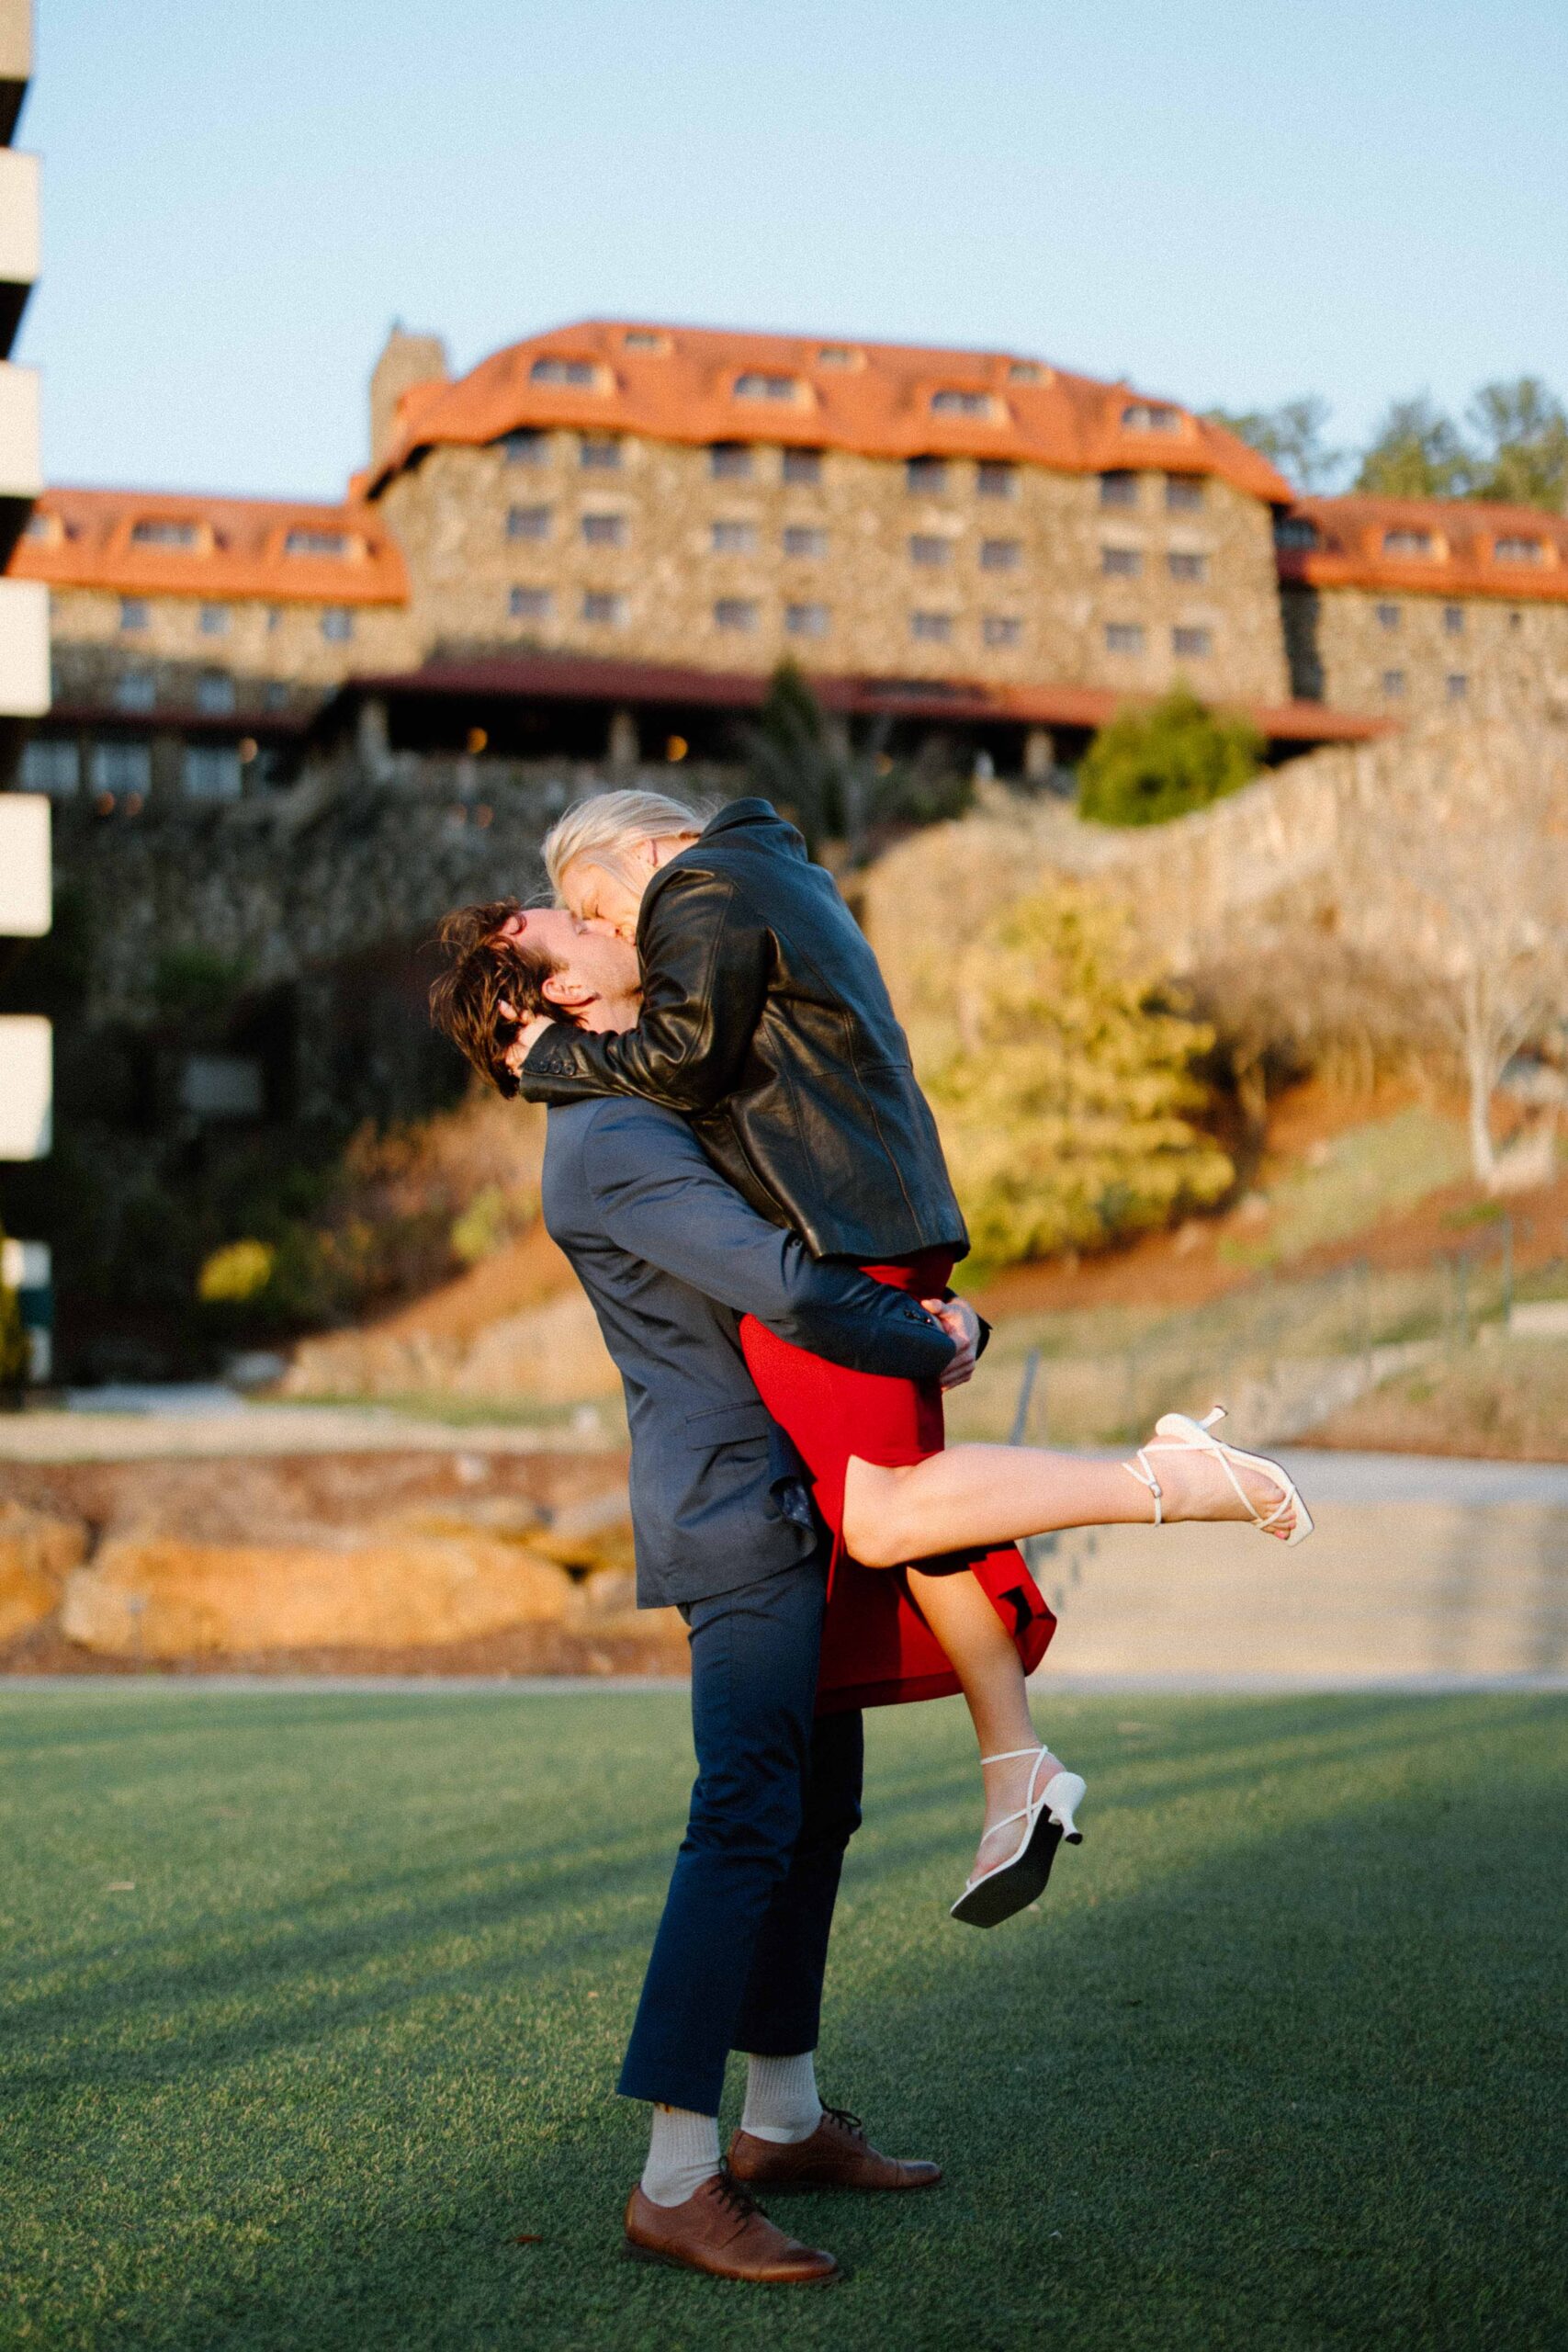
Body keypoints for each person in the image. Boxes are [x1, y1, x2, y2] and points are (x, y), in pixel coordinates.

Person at [432, 808, 1312, 1928]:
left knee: (885, 1513)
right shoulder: (771, 879)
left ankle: (1169, 1478)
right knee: (917, 1513)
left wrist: (554, 1060)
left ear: (646, 849)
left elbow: (682, 1061)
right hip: (871, 1214)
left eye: (603, 905)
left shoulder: (701, 888)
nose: (622, 934)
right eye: (596, 925)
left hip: (838, 1235)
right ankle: (1016, 1771)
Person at [434, 903, 957, 2286]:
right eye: (573, 922)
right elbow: (778, 1281)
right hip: (733, 1509)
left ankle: (779, 2119)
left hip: (787, 1491)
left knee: (815, 1806)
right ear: (549, 998)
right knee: (741, 1818)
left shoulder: (634, 1099)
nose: (609, 920)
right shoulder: (606, 1142)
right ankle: (676, 2174)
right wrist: (931, 1339)